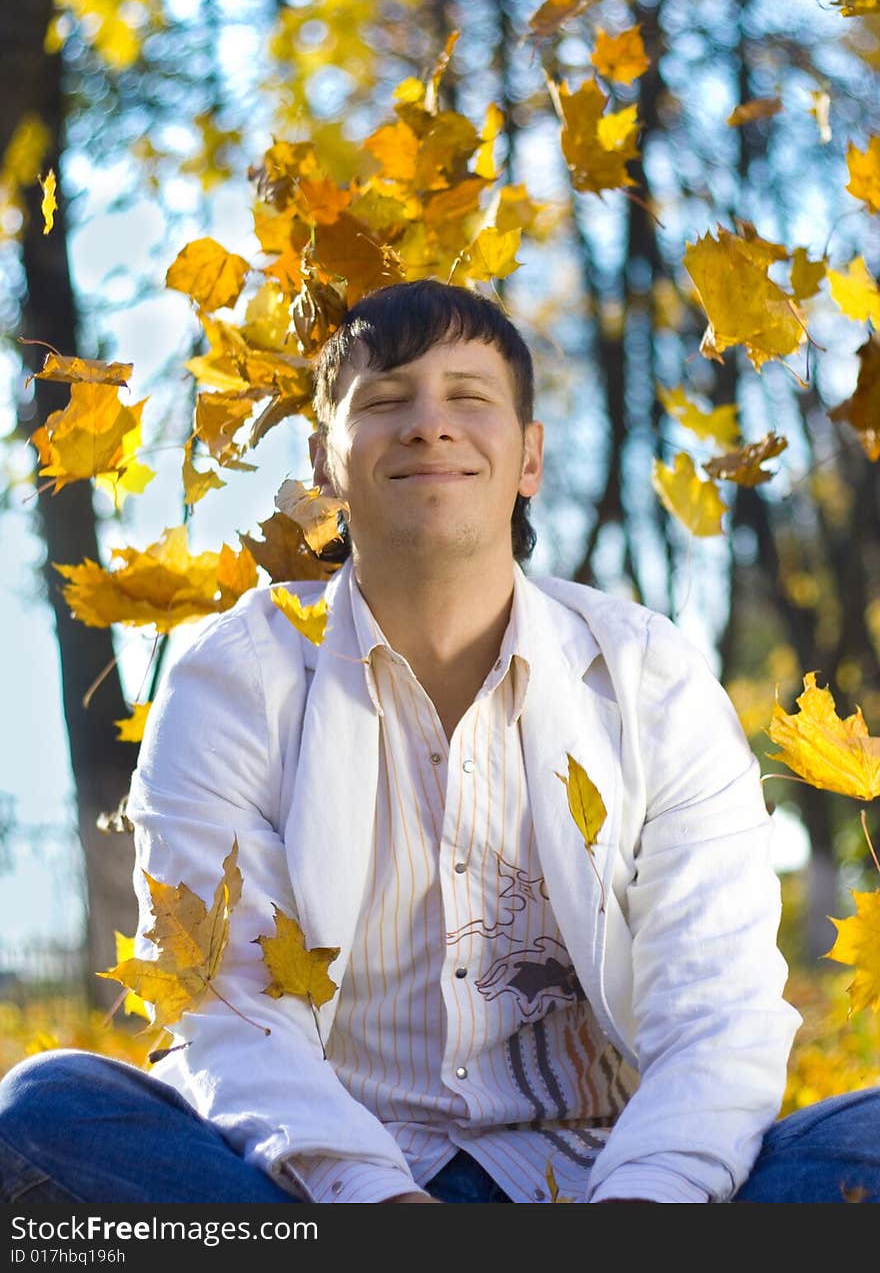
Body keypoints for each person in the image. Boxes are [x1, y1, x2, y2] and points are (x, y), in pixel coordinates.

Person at [1, 278, 878, 1206]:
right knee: (48, 1116)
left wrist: (644, 1207)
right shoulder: (235, 679)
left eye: (469, 397)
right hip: (319, 1191)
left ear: (530, 457)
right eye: (384, 402)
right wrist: (377, 1203)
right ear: (325, 461)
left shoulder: (648, 677)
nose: (429, 425)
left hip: (604, 1174)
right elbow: (229, 1012)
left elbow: (717, 1014)